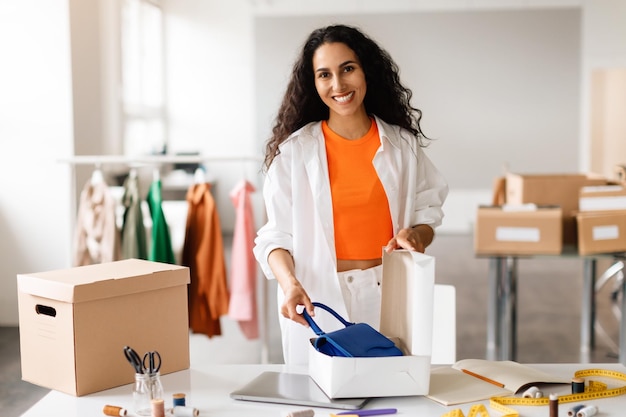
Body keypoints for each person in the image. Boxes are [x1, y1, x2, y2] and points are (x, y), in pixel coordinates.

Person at [253, 24, 448, 365]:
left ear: (366, 72)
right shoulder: (295, 152)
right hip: (319, 296)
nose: (338, 85)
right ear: (313, 84)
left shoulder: (402, 145)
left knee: (391, 393)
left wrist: (416, 236)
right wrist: (289, 284)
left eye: (348, 69)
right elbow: (274, 238)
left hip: (387, 293)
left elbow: (427, 210)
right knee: (323, 400)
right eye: (324, 74)